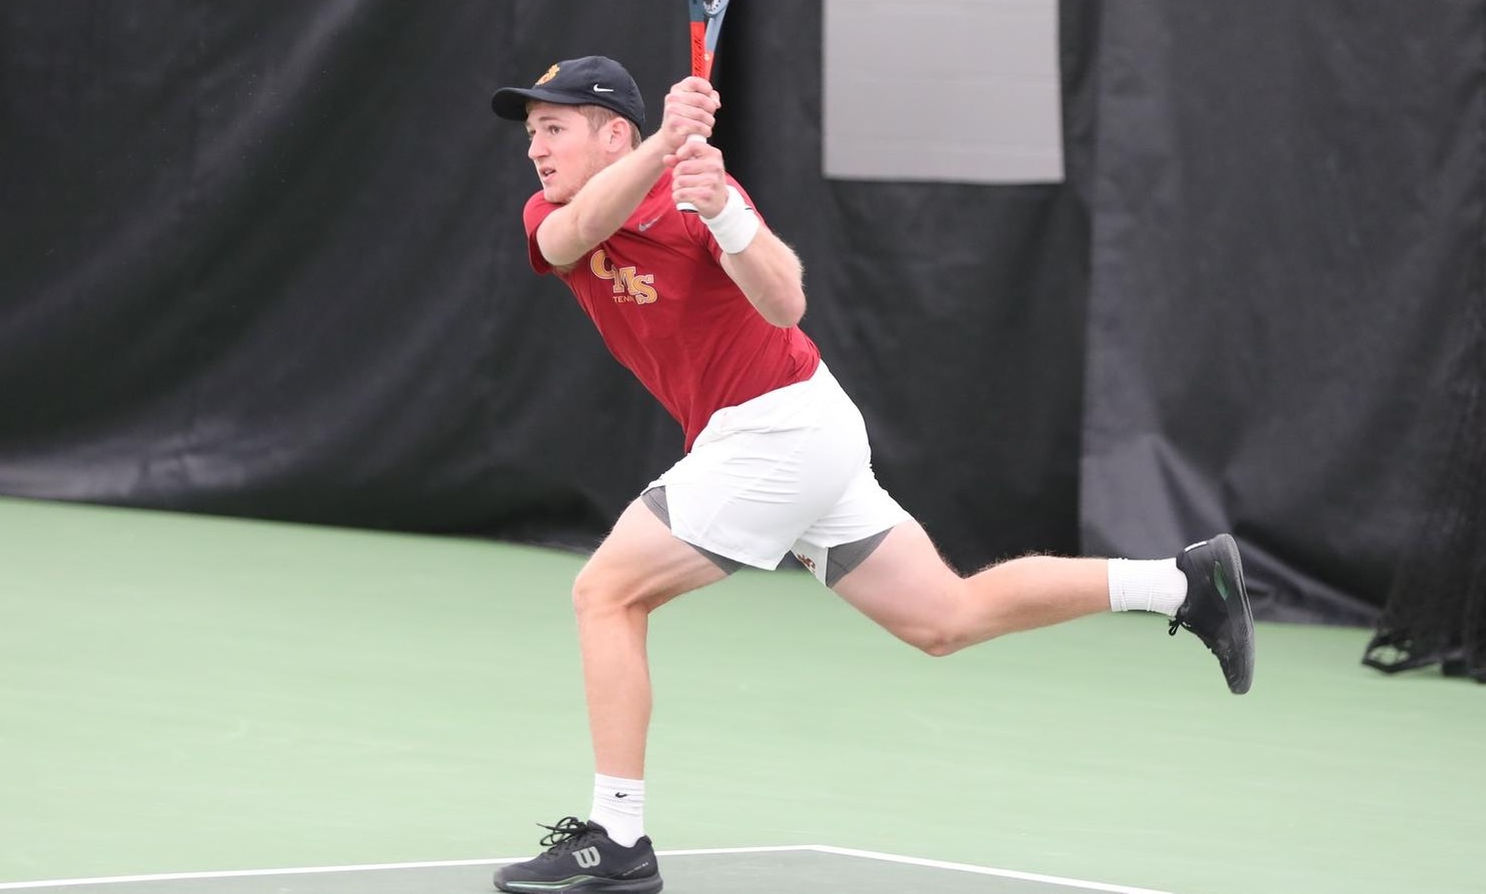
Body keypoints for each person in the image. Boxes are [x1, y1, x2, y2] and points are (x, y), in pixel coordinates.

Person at [486, 56, 1256, 894]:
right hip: (785, 436)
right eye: (532, 133)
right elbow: (573, 237)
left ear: (612, 132)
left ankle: (618, 839)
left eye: (553, 128)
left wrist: (728, 217)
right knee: (944, 617)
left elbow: (785, 303)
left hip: (779, 427)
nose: (537, 149)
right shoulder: (558, 210)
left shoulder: (700, 190)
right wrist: (665, 144)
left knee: (607, 594)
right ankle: (1181, 585)